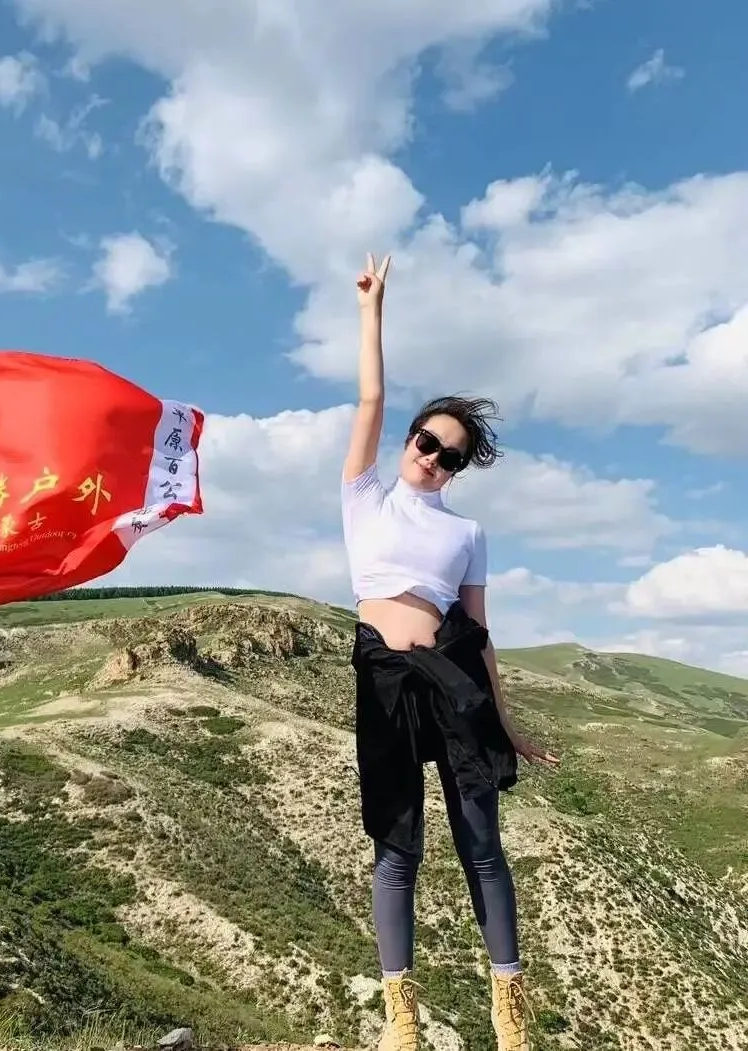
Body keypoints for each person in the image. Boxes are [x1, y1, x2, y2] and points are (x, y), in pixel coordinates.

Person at [342, 254, 559, 1051]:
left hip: (453, 678)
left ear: (461, 468)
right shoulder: (365, 496)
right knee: (396, 847)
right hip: (385, 679)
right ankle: (401, 1016)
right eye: (427, 441)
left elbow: (479, 631)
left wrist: (508, 722)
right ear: (410, 438)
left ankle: (510, 1012)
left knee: (482, 848)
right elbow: (369, 397)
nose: (432, 458)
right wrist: (372, 310)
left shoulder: (466, 532)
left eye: (451, 455)